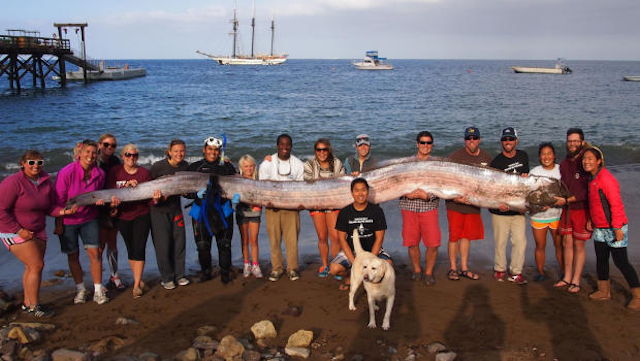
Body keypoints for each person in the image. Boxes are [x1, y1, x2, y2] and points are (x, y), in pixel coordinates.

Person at [0, 151, 71, 317]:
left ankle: (27, 303)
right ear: (23, 163)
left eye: (39, 163)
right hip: (14, 231)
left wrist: (64, 212)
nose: (35, 166)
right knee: (36, 266)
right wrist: (19, 230)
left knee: (31, 267)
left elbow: (49, 208)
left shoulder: (45, 181)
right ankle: (34, 307)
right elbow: (1, 211)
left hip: (38, 230)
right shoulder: (13, 182)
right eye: (31, 162)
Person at [582, 147, 639, 309]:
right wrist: (590, 220)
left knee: (621, 262)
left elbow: (616, 205)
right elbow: (594, 203)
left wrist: (617, 228)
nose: (586, 161)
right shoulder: (592, 179)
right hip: (600, 228)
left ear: (599, 161)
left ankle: (638, 295)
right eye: (584, 158)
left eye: (590, 158)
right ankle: (604, 291)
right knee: (601, 259)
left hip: (615, 227)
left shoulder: (606, 179)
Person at [55, 140, 110, 305]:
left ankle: (98, 291)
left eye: (94, 153)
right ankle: (80, 289)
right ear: (80, 153)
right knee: (73, 255)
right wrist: (59, 223)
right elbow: (58, 200)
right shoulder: (66, 172)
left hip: (89, 218)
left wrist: (100, 202)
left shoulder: (100, 174)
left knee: (95, 253)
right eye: (87, 152)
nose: (90, 156)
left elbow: (97, 195)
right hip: (68, 220)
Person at [106, 144, 153, 299]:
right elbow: (109, 192)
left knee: (139, 247)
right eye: (128, 155)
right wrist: (124, 189)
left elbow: (150, 200)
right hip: (123, 216)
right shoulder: (115, 172)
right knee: (131, 248)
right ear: (122, 156)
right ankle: (139, 281)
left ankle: (136, 284)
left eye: (134, 155)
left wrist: (157, 198)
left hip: (141, 214)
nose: (131, 158)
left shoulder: (144, 173)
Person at [445, 126, 492, 281]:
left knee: (466, 237)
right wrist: (454, 198)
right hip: (455, 205)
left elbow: (492, 183)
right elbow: (445, 180)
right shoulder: (455, 156)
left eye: (474, 138)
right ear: (465, 140)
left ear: (479, 140)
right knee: (454, 237)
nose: (471, 141)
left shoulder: (487, 157)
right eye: (468, 139)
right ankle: (453, 268)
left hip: (473, 205)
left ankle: (464, 268)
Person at [188, 136, 236, 284]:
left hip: (223, 210)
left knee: (224, 244)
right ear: (204, 150)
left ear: (219, 151)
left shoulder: (227, 167)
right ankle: (206, 272)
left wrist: (237, 196)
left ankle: (225, 272)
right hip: (201, 211)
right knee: (203, 245)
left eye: (216, 150)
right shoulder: (194, 168)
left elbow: (237, 185)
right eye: (210, 149)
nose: (213, 152)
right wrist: (194, 194)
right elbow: (184, 189)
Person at [329, 178, 392, 290]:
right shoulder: (344, 212)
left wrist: (371, 261)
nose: (360, 193)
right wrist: (355, 264)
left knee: (388, 265)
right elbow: (342, 240)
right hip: (352, 251)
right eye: (357, 190)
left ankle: (372, 280)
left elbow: (379, 238)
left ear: (368, 191)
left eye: (363, 190)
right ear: (352, 192)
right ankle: (350, 277)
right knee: (334, 268)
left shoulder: (377, 211)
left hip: (372, 250)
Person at [258, 134, 304, 282]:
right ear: (277, 145)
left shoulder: (298, 164)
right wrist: (267, 201)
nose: (285, 147)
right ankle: (276, 268)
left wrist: (300, 203)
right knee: (274, 240)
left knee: (292, 240)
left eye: (288, 144)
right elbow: (262, 186)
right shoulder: (267, 163)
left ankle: (292, 268)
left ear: (291, 145)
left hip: (292, 208)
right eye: (282, 144)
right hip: (272, 208)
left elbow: (301, 188)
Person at [399, 131, 441, 286]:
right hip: (409, 207)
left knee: (433, 243)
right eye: (422, 142)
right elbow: (396, 183)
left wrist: (428, 196)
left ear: (432, 145)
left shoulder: (438, 164)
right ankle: (417, 269)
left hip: (429, 207)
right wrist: (406, 193)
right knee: (412, 243)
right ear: (417, 144)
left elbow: (443, 185)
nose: (425, 145)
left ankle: (429, 272)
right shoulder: (405, 163)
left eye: (428, 143)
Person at [489, 127, 530, 285]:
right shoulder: (496, 162)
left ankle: (516, 272)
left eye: (511, 139)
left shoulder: (523, 156)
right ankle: (499, 269)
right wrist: (499, 204)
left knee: (520, 242)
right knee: (500, 242)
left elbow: (524, 184)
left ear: (516, 141)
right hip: (500, 210)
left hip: (518, 209)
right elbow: (492, 187)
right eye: (505, 139)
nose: (508, 142)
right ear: (501, 142)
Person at [553, 128, 592, 293]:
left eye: (576, 141)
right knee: (566, 243)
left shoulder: (586, 161)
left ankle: (576, 280)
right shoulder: (563, 163)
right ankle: (567, 276)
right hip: (567, 209)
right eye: (570, 141)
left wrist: (568, 200)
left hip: (581, 209)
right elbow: (563, 187)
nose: (572, 144)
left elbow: (587, 191)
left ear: (582, 142)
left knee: (578, 245)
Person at [150, 139, 191, 290]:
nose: (179, 154)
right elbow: (148, 191)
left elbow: (188, 189)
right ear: (169, 152)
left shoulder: (185, 166)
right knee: (163, 245)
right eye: (176, 151)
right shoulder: (157, 167)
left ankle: (179, 275)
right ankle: (167, 278)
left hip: (176, 209)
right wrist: (157, 199)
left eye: (182, 151)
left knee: (180, 242)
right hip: (158, 211)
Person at [303, 138, 346, 278]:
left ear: (329, 150)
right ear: (315, 151)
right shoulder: (309, 164)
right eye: (319, 150)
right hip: (317, 204)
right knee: (322, 237)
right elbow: (307, 186)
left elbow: (342, 184)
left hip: (333, 204)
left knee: (335, 237)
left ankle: (336, 264)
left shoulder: (337, 163)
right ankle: (324, 265)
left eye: (324, 149)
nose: (322, 152)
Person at [529, 143, 563, 281]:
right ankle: (540, 272)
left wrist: (553, 203)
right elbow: (529, 194)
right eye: (543, 154)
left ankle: (564, 270)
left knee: (559, 245)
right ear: (539, 156)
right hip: (538, 216)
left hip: (557, 216)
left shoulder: (561, 170)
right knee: (540, 245)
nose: (546, 157)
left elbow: (565, 192)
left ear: (554, 155)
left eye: (549, 153)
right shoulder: (534, 172)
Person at [96, 133, 125, 290]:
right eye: (106, 144)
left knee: (112, 243)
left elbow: (118, 184)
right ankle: (98, 281)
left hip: (113, 204)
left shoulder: (115, 162)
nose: (109, 148)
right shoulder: (94, 161)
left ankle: (114, 275)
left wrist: (115, 206)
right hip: (97, 207)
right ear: (99, 145)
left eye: (113, 145)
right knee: (99, 245)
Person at [236, 154, 263, 279]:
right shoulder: (237, 179)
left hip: (255, 212)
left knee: (254, 240)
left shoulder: (259, 179)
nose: (248, 168)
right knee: (244, 240)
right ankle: (246, 264)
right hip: (241, 212)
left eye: (251, 165)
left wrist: (268, 158)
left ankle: (255, 265)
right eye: (246, 166)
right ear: (241, 167)